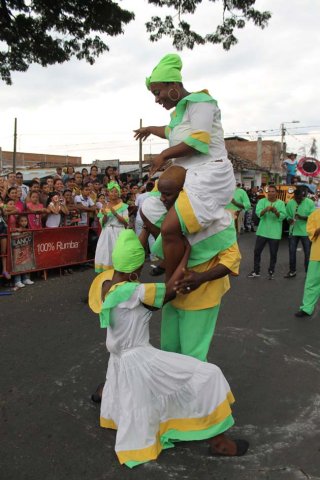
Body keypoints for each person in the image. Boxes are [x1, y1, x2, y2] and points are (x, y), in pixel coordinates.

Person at [88, 229, 248, 467]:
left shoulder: (104, 284)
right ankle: (218, 441)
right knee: (207, 374)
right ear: (134, 272)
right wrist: (187, 252)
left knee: (140, 392)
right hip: (139, 358)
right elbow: (173, 287)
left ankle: (122, 402)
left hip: (119, 358)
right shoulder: (136, 292)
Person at [134, 53, 235, 281]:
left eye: (157, 92)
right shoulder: (178, 115)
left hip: (209, 175)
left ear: (174, 85)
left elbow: (199, 141)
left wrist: (164, 154)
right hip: (186, 177)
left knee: (170, 227)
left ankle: (173, 281)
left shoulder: (200, 102)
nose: (157, 99)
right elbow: (169, 131)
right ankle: (183, 253)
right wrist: (150, 128)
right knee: (148, 210)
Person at [140, 169, 240, 362]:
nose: (162, 198)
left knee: (193, 357)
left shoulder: (219, 222)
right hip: (173, 294)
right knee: (169, 350)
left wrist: (200, 278)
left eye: (167, 194)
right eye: (161, 193)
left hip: (201, 298)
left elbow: (232, 260)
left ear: (186, 195)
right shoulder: (170, 217)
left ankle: (194, 392)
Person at [248, 185, 286, 279]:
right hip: (262, 232)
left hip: (275, 233)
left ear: (276, 193)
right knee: (257, 252)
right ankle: (256, 271)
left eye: (273, 191)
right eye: (269, 191)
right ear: (267, 193)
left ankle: (271, 271)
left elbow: (283, 216)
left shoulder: (281, 203)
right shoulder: (262, 201)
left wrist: (275, 211)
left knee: (273, 254)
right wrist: (266, 210)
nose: (271, 193)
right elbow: (258, 214)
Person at [94, 182, 128, 273]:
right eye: (111, 191)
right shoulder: (104, 206)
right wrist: (105, 216)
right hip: (107, 233)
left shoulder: (123, 206)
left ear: (119, 193)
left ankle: (120, 273)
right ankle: (107, 273)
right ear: (108, 193)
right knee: (106, 253)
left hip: (118, 232)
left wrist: (115, 214)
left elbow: (126, 222)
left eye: (116, 191)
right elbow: (102, 223)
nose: (114, 193)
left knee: (119, 252)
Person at [284, 187, 315, 278]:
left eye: (300, 199)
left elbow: (312, 217)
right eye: (296, 199)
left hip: (306, 232)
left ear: (303, 196)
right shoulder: (290, 203)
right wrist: (289, 220)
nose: (298, 200)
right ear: (294, 196)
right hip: (293, 232)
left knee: (308, 253)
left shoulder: (309, 202)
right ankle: (292, 271)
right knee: (292, 252)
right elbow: (287, 215)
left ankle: (308, 272)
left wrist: (301, 217)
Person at [295, 209, 320, 317]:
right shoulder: (315, 214)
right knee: (311, 282)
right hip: (317, 254)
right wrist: (318, 230)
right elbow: (310, 232)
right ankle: (307, 308)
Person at [11, 215, 34, 288]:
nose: (24, 223)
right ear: (18, 222)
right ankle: (17, 281)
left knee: (26, 261)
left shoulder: (28, 230)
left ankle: (26, 278)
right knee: (17, 263)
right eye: (22, 221)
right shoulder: (15, 229)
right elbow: (11, 231)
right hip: (17, 250)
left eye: (25, 221)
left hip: (25, 250)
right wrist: (16, 230)